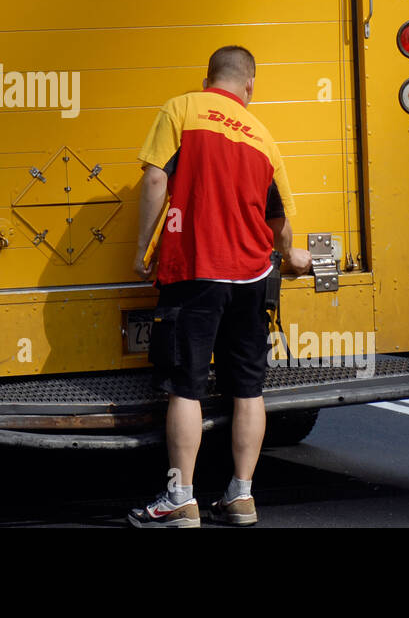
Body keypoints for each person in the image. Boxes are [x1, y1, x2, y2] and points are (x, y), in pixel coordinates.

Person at [128, 45, 311, 529]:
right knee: (249, 389)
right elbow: (281, 222)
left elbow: (152, 180)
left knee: (186, 387)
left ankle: (180, 497)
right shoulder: (263, 137)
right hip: (253, 276)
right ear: (249, 85)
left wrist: (141, 250)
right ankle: (242, 496)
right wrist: (289, 257)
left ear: (209, 77)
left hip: (195, 270)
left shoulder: (182, 109)